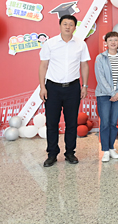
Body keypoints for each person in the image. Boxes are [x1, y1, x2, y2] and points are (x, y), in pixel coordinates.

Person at [39, 14, 90, 167]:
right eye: (65, 24)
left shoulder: (81, 44)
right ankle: (52, 154)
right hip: (52, 88)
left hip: (73, 88)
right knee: (52, 123)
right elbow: (43, 66)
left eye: (71, 24)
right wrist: (42, 87)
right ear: (60, 25)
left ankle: (70, 153)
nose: (68, 27)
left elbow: (84, 65)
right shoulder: (50, 43)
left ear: (75, 27)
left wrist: (84, 86)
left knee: (72, 122)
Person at [95, 31, 118, 162]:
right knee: (105, 123)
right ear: (106, 42)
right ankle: (105, 150)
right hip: (104, 95)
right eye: (110, 40)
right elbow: (100, 78)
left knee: (113, 123)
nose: (113, 42)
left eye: (115, 40)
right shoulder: (100, 58)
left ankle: (111, 147)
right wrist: (112, 93)